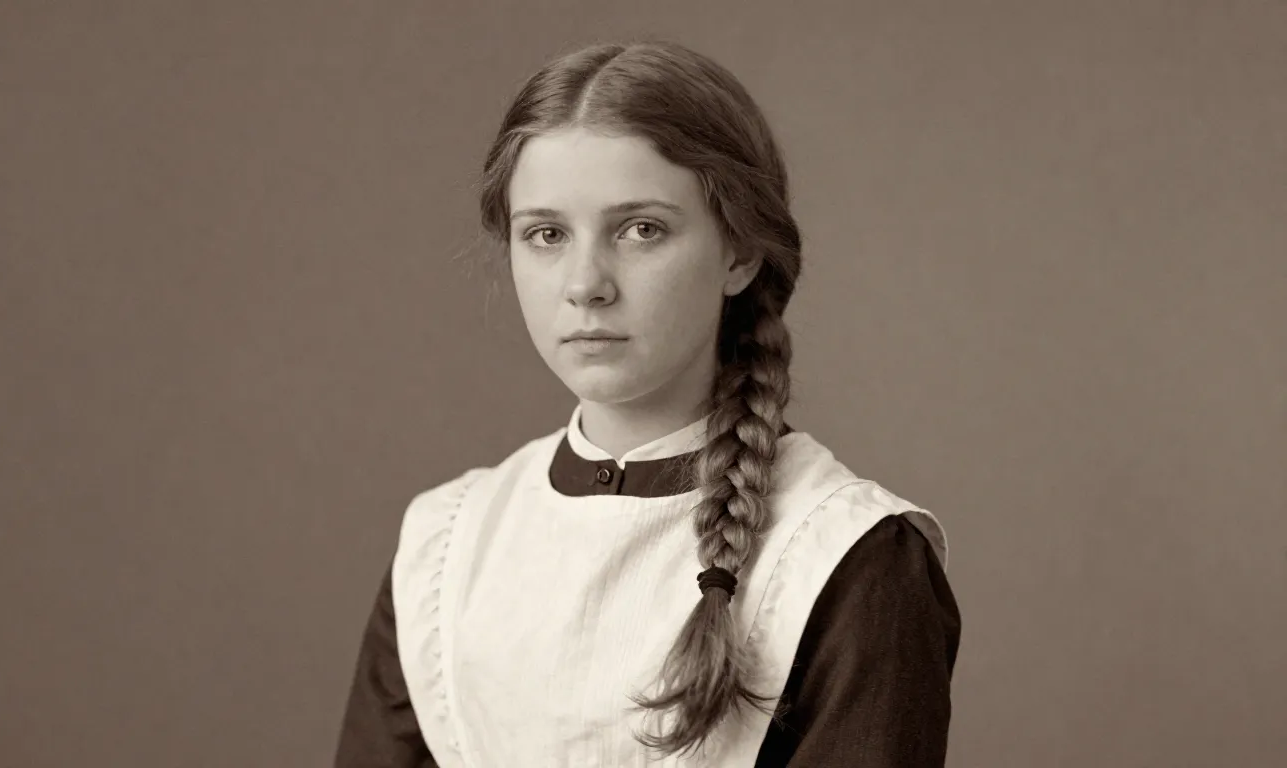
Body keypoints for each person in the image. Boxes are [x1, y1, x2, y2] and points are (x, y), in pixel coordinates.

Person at [334, 39, 961, 768]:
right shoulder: (445, 548)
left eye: (641, 230)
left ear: (739, 253)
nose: (585, 284)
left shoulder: (852, 557)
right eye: (546, 234)